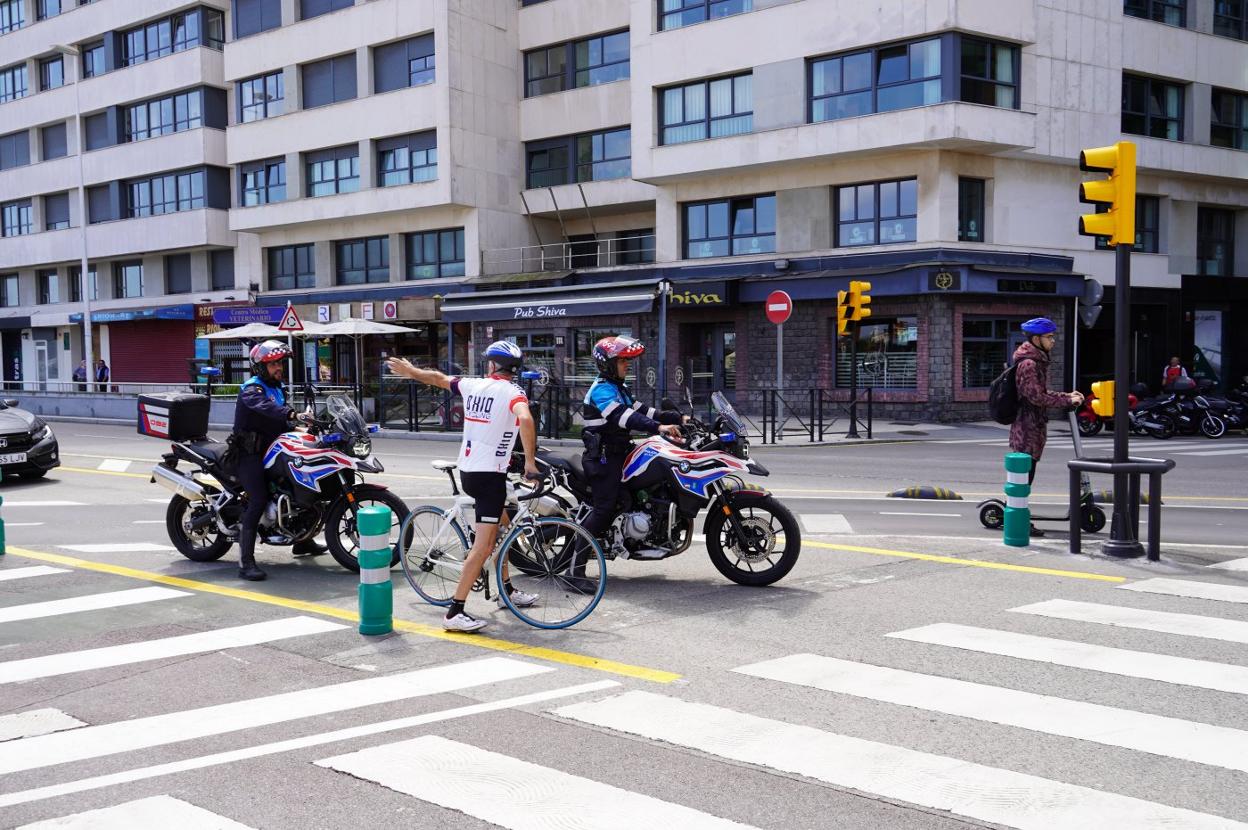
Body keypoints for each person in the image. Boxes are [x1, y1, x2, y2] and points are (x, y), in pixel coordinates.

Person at [386, 341, 541, 633]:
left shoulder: (473, 385)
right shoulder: (513, 392)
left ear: (492, 365)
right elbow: (525, 418)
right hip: (489, 478)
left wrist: (410, 371)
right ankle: (455, 612)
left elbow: (439, 378)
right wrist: (531, 464)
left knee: (503, 529)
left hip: (473, 472)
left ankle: (505, 591)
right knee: (483, 547)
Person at [579, 336, 684, 555]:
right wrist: (658, 428)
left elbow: (643, 411)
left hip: (621, 452)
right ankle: (574, 568)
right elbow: (624, 417)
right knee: (604, 510)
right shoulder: (601, 390)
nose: (627, 364)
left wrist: (678, 418)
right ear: (608, 364)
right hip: (604, 459)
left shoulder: (620, 388)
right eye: (621, 361)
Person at [231, 340, 322, 581]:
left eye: (280, 362)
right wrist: (292, 414)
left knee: (300, 484)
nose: (278, 367)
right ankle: (246, 562)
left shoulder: (277, 387)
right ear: (260, 367)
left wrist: (306, 424)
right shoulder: (252, 389)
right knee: (258, 499)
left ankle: (302, 541)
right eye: (273, 364)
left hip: (272, 450)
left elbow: (282, 417)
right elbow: (267, 409)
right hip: (249, 454)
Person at [1008, 318, 1084, 537]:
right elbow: (1035, 396)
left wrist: (1067, 396)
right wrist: (1066, 401)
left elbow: (1041, 393)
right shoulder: (1029, 364)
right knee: (1023, 478)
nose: (1053, 341)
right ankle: (1016, 519)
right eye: (1049, 337)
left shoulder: (1037, 361)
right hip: (1026, 429)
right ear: (1036, 339)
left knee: (1025, 477)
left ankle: (1015, 513)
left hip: (1033, 427)